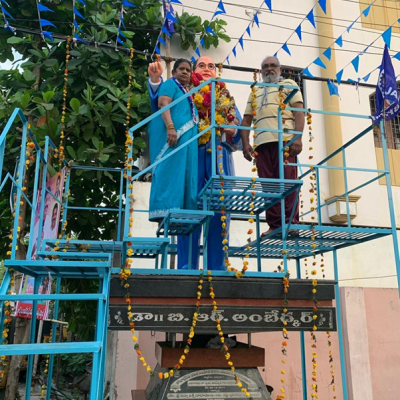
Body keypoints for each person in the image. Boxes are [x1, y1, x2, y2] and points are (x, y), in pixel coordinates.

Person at [147, 56, 240, 270]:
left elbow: (237, 132)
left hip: (220, 158)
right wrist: (155, 81)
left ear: (216, 73)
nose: (207, 69)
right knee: (189, 207)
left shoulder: (225, 96)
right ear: (193, 70)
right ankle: (186, 266)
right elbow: (162, 104)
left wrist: (233, 131)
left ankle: (217, 266)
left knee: (220, 212)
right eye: (201, 65)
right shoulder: (185, 88)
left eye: (211, 66)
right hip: (191, 155)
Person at [240, 55, 305, 236]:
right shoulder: (255, 90)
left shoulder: (290, 85)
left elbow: (299, 112)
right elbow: (246, 120)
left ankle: (291, 222)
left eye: (273, 66)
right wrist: (245, 144)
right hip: (261, 145)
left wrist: (297, 138)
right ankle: (275, 225)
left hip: (285, 142)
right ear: (261, 71)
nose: (269, 69)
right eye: (265, 66)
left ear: (280, 69)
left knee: (288, 183)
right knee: (268, 186)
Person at [148, 59, 198, 222]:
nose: (185, 72)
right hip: (173, 139)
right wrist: (170, 127)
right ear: (174, 72)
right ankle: (164, 208)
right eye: (181, 69)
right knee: (169, 170)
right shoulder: (170, 84)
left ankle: (183, 209)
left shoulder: (186, 91)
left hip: (186, 142)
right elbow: (163, 103)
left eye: (188, 70)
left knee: (183, 174)